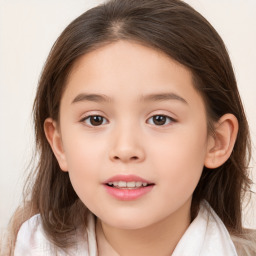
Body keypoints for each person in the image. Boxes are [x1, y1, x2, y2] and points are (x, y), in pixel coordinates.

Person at [2, 0, 256, 255]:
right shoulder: (26, 247)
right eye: (95, 120)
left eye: (160, 119)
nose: (125, 149)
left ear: (217, 141)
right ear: (59, 144)